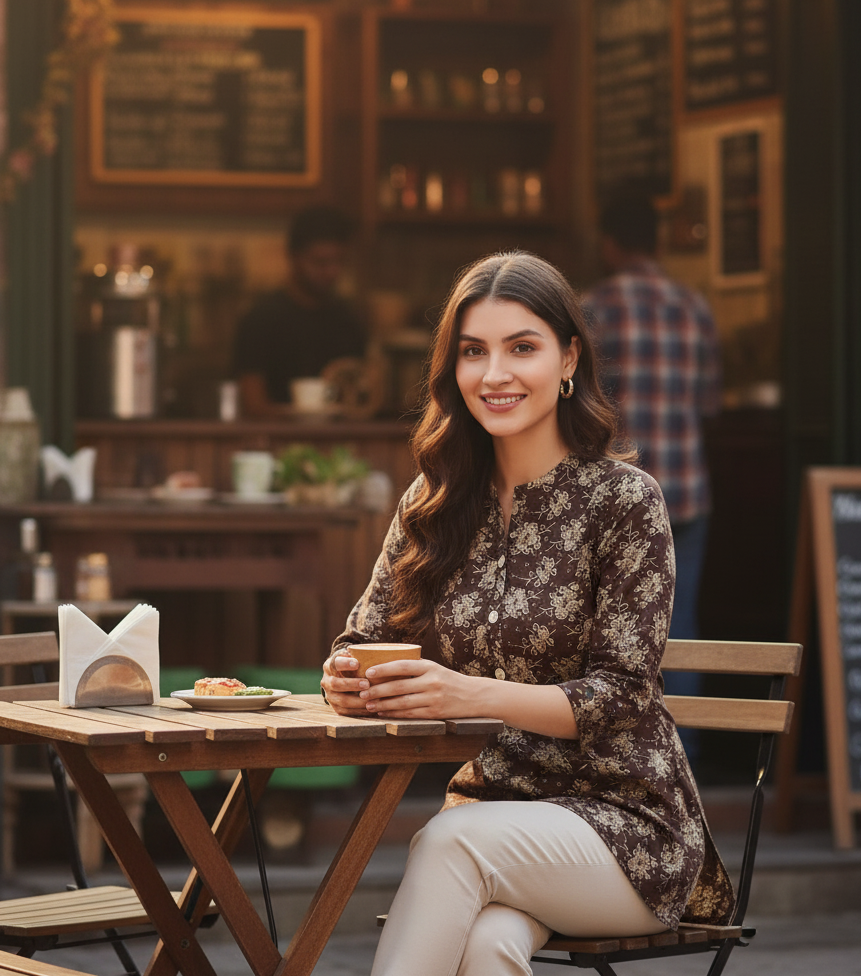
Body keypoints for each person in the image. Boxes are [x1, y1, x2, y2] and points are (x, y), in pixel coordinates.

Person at [321, 252, 733, 976]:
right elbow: (365, 636)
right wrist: (347, 676)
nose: (493, 374)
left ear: (568, 357)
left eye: (521, 348)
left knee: (450, 844)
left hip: (626, 828)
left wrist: (465, 695)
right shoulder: (435, 501)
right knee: (487, 948)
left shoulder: (622, 501)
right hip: (497, 811)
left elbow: (621, 696)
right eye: (473, 352)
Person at [584, 195, 722, 763]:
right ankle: (681, 764)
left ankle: (624, 765)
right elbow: (710, 402)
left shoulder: (593, 309)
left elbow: (574, 404)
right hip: (687, 491)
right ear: (658, 242)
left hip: (615, 495)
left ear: (610, 244)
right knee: (679, 628)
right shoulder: (695, 308)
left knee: (606, 633)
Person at [233, 205, 366, 417]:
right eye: (320, 262)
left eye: (339, 262)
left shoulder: (348, 321)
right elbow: (252, 405)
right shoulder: (260, 321)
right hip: (274, 442)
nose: (332, 272)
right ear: (293, 257)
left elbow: (359, 400)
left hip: (338, 444)